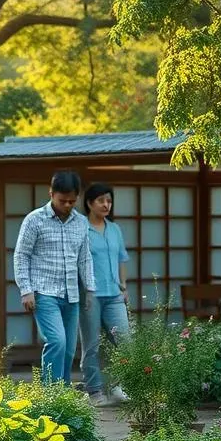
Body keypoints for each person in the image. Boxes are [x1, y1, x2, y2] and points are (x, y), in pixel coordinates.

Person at [13, 170, 95, 386]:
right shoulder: (34, 220)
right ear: (51, 194)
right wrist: (26, 290)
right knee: (56, 341)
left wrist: (90, 290)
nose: (67, 205)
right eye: (62, 200)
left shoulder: (81, 223)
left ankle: (62, 393)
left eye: (72, 201)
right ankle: (49, 394)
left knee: (69, 349)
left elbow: (85, 258)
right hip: (44, 292)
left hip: (71, 294)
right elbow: (21, 255)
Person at [78, 183, 131, 406]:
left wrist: (124, 286)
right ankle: (94, 392)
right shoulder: (80, 228)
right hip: (90, 295)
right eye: (101, 200)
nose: (106, 204)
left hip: (114, 294)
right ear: (89, 203)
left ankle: (118, 387)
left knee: (124, 341)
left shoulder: (114, 229)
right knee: (91, 344)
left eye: (108, 200)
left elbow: (122, 258)